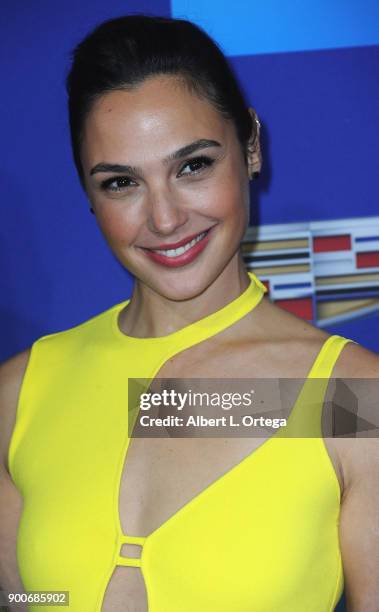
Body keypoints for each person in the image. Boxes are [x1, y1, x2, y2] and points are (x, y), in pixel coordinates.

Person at [0, 14, 378, 612]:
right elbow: (25, 600)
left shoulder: (350, 398)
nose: (166, 219)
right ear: (87, 192)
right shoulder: (20, 391)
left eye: (193, 165)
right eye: (122, 182)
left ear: (250, 146)